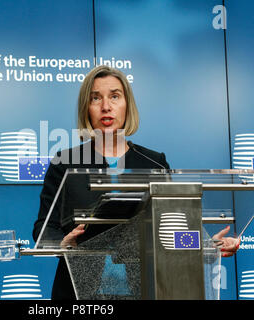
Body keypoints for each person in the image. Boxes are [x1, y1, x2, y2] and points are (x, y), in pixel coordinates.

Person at [32, 65, 240, 300]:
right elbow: (43, 228)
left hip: (145, 288)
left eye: (114, 96)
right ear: (86, 108)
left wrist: (209, 246)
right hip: (78, 290)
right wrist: (63, 243)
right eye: (95, 98)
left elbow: (172, 228)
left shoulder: (154, 162)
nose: (106, 106)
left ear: (127, 105)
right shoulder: (65, 162)